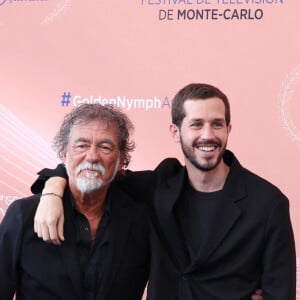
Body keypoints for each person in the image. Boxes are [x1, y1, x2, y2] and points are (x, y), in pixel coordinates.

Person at [32, 83, 294, 299]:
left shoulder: (268, 204)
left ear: (228, 130)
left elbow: (279, 292)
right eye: (196, 124)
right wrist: (54, 187)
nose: (208, 135)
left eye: (217, 124)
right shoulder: (158, 185)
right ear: (175, 132)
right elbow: (93, 167)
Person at [0, 104, 150, 300]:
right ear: (64, 153)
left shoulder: (141, 221)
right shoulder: (24, 215)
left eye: (105, 147)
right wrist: (52, 189)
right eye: (81, 146)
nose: (92, 156)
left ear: (121, 159)